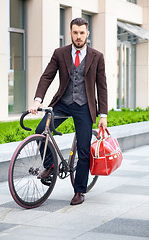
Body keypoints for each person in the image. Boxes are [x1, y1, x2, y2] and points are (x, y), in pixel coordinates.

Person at [29, 17, 108, 205]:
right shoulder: (60, 53)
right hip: (63, 103)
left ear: (87, 34)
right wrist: (37, 100)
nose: (78, 36)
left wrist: (103, 115)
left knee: (83, 149)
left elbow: (102, 87)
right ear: (70, 33)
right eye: (75, 32)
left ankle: (79, 191)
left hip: (84, 106)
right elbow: (47, 76)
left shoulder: (97, 56)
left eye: (82, 33)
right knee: (41, 130)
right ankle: (50, 165)